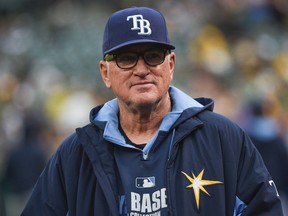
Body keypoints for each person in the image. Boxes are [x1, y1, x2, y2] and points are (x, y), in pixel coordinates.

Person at [21, 7, 283, 215]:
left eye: (153, 55)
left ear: (170, 65)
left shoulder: (223, 137)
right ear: (105, 73)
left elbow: (264, 209)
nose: (142, 69)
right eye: (126, 58)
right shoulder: (75, 154)